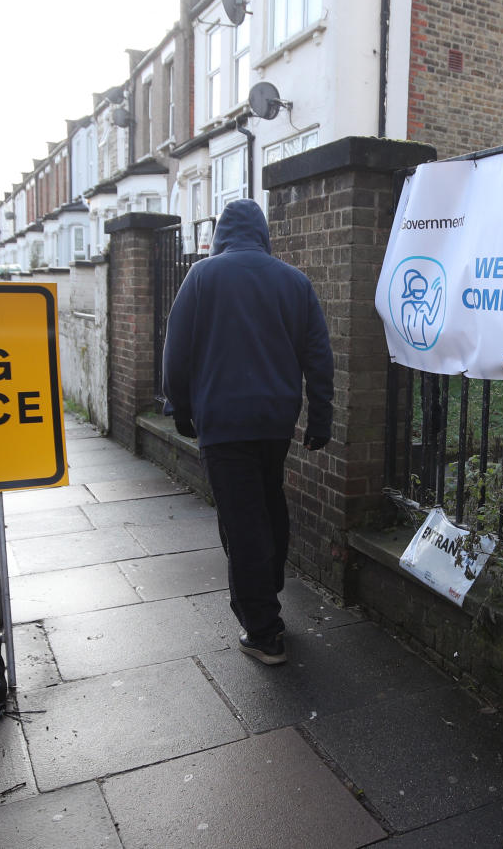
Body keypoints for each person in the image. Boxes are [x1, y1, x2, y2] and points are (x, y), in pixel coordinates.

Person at [162, 198, 334, 666]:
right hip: (276, 421)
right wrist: (320, 418)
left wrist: (180, 407)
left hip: (222, 423)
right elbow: (318, 357)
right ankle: (268, 587)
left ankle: (263, 631)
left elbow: (175, 351)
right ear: (263, 234)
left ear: (221, 234)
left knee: (242, 522)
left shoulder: (203, 276)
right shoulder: (294, 282)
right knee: (268, 502)